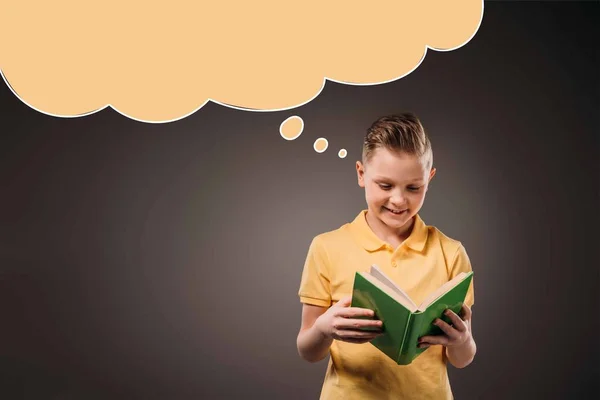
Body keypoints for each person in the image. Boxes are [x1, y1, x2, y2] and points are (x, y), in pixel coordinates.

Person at [296, 113, 476, 399]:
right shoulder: (326, 247)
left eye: (413, 188)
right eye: (385, 185)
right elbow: (308, 349)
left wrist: (462, 340)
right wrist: (324, 328)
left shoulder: (451, 253)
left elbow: (461, 358)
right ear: (361, 174)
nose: (398, 200)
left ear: (429, 179)